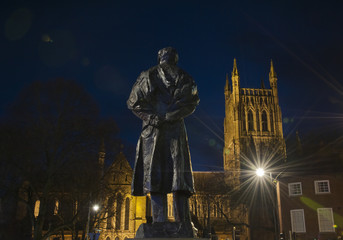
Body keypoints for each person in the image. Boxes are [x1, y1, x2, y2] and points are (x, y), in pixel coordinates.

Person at [127, 47, 199, 224]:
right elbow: (192, 102)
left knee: (154, 173)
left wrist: (150, 117)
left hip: (154, 130)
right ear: (175, 59)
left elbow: (133, 102)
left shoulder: (147, 75)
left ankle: (159, 222)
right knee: (178, 175)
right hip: (174, 130)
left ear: (160, 58)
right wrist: (172, 115)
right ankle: (183, 223)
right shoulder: (184, 77)